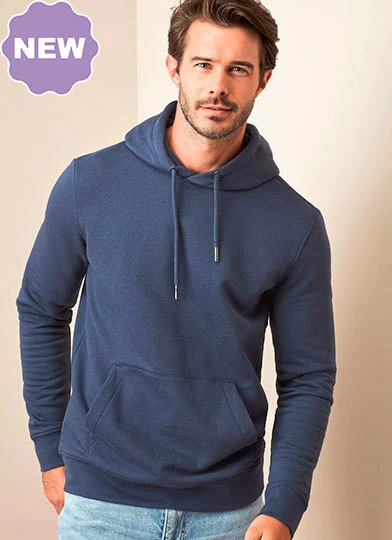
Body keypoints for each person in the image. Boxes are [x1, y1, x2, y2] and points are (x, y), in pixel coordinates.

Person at [15, 1, 337, 539]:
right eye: (203, 64)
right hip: (100, 504)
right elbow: (41, 309)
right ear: (174, 67)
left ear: (263, 80)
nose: (218, 86)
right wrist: (50, 449)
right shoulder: (90, 183)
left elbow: (307, 377)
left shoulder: (295, 223)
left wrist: (284, 504)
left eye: (238, 69)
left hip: (228, 513)